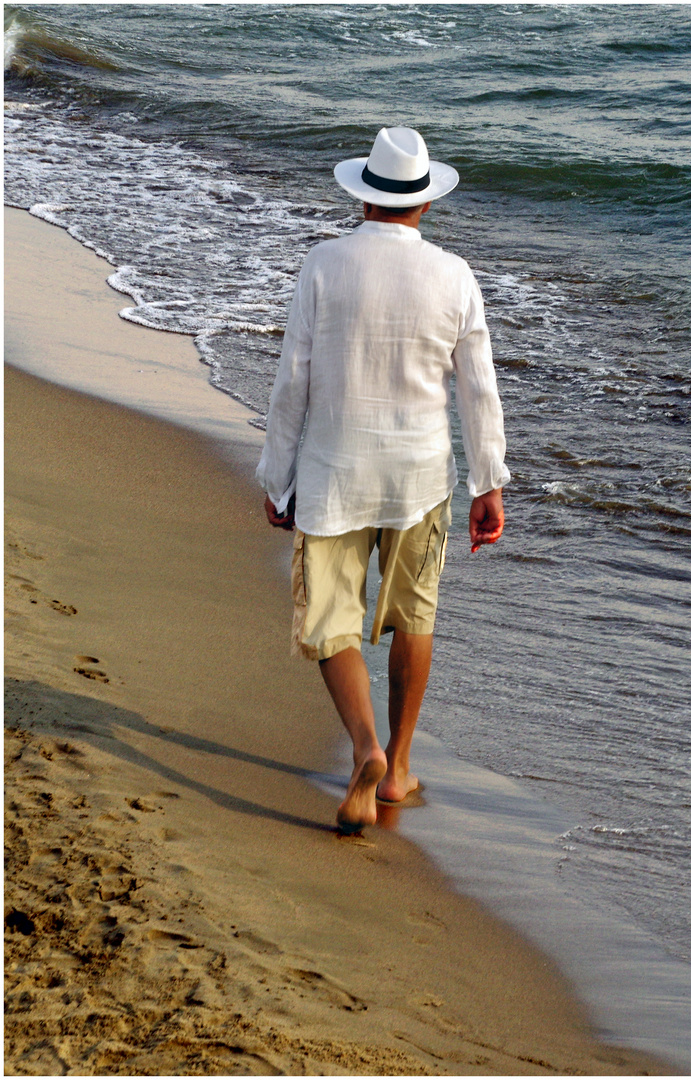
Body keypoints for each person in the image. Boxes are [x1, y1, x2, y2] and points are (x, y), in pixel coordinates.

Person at [256, 126, 510, 835]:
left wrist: (277, 479)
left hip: (333, 472)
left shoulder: (324, 264)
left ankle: (362, 746)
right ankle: (396, 768)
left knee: (329, 619)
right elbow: (479, 391)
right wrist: (489, 481)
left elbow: (292, 383)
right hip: (420, 478)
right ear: (424, 206)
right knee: (413, 618)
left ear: (363, 197)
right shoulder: (454, 276)